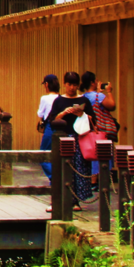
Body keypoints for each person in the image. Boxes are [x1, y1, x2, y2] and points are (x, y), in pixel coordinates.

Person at [46, 71, 95, 210]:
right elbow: (52, 120)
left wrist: (82, 114)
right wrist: (64, 113)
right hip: (62, 137)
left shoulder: (83, 100)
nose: (72, 88)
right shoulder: (59, 100)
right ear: (65, 84)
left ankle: (75, 201)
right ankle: (56, 200)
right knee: (60, 168)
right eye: (69, 84)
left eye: (74, 85)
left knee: (78, 169)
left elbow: (93, 120)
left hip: (80, 138)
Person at [80, 71, 117, 181]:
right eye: (96, 81)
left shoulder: (83, 97)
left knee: (90, 153)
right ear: (92, 82)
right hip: (99, 131)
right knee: (100, 154)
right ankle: (98, 181)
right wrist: (109, 92)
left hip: (86, 131)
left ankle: (91, 180)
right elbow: (112, 105)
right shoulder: (99, 96)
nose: (97, 82)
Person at [37, 74, 61, 181]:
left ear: (46, 84)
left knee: (43, 155)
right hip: (62, 128)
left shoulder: (45, 98)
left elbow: (40, 114)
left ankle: (55, 178)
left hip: (50, 127)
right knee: (58, 156)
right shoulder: (61, 98)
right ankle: (57, 179)